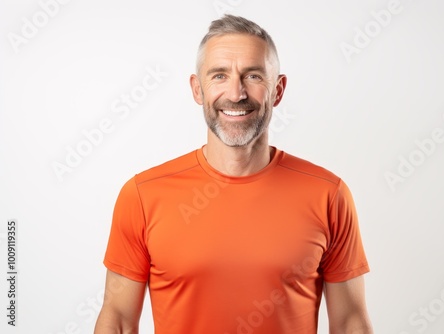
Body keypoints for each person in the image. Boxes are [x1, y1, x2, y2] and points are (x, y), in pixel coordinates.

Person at [94, 14, 373, 334]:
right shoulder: (143, 195)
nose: (236, 93)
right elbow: (117, 318)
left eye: (253, 76)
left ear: (278, 90)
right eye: (219, 76)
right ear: (197, 90)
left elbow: (350, 321)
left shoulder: (329, 194)